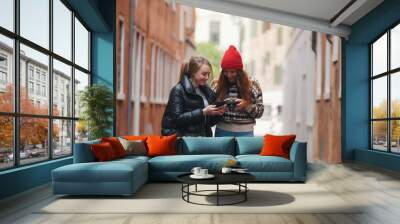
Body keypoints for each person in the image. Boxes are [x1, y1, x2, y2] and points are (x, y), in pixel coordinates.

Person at [161, 56, 224, 137]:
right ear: (193, 72)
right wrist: (203, 112)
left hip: (201, 140)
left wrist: (218, 113)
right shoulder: (178, 90)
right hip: (183, 141)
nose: (207, 77)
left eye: (208, 74)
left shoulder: (207, 92)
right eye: (204, 74)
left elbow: (208, 123)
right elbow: (177, 119)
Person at [211, 45, 264, 137]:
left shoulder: (253, 84)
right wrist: (218, 109)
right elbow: (209, 109)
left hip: (245, 133)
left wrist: (246, 105)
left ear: (239, 71)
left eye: (232, 72)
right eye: (226, 72)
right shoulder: (216, 84)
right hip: (222, 131)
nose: (229, 75)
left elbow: (260, 112)